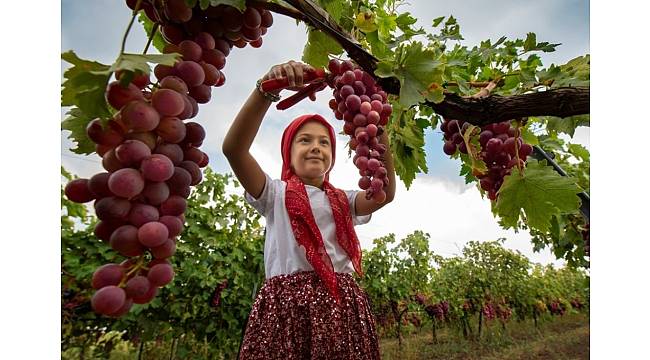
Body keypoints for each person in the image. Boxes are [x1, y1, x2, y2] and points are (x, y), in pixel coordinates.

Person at [222, 60, 396, 360]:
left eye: (324, 143)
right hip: (288, 309)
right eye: (305, 140)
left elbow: (384, 194)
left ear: (332, 155)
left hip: (341, 305)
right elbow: (234, 149)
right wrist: (265, 90)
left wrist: (376, 126)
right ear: (287, 155)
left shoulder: (343, 199)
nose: (316, 147)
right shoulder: (274, 194)